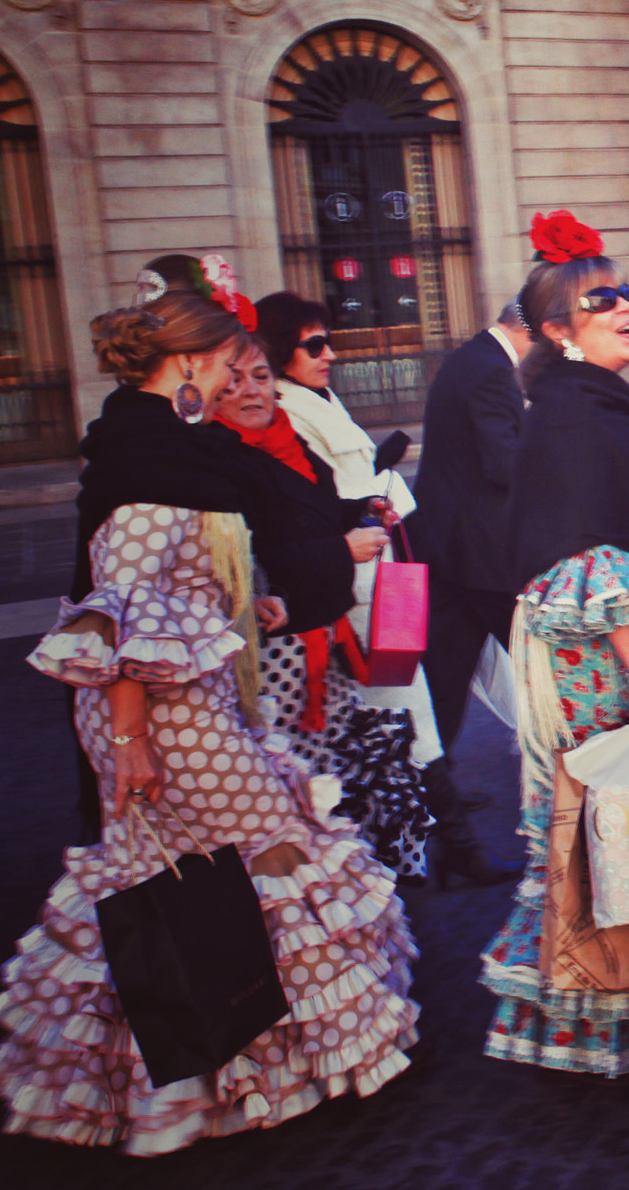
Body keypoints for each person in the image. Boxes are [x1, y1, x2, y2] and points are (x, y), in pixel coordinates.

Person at [0, 289, 418, 1155]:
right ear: (188, 362)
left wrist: (244, 604)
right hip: (166, 719)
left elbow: (171, 592)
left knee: (197, 875)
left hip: (189, 702)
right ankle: (229, 1072)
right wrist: (130, 739)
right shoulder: (149, 464)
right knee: (267, 857)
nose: (231, 379)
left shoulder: (161, 448)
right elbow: (116, 613)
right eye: (225, 362)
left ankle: (226, 1073)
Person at [477, 216, 629, 1075]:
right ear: (556, 332)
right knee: (614, 825)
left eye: (626, 292)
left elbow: (614, 506)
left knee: (621, 827)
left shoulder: (591, 405)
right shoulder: (576, 413)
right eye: (599, 299)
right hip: (598, 654)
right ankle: (606, 1012)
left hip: (604, 642)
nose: (625, 308)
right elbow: (588, 552)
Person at [255, 292, 514, 888]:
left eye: (328, 340)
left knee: (411, 701)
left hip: (386, 574)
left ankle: (428, 841)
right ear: (280, 352)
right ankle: (448, 846)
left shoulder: (318, 399)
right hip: (355, 587)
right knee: (403, 710)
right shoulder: (287, 411)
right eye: (313, 344)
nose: (329, 353)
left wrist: (377, 477)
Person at [216, 343, 434, 879]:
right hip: (284, 651)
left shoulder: (289, 436)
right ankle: (308, 901)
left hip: (323, 628)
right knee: (299, 782)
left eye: (260, 376)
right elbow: (257, 551)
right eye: (234, 380)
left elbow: (309, 512)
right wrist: (341, 549)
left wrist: (357, 510)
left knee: (337, 770)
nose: (251, 389)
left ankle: (349, 887)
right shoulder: (223, 458)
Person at [411, 299, 529, 792]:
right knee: (546, 664)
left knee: (444, 678)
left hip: (447, 548)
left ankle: (434, 805)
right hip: (478, 556)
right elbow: (503, 465)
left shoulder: (471, 359)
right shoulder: (491, 372)